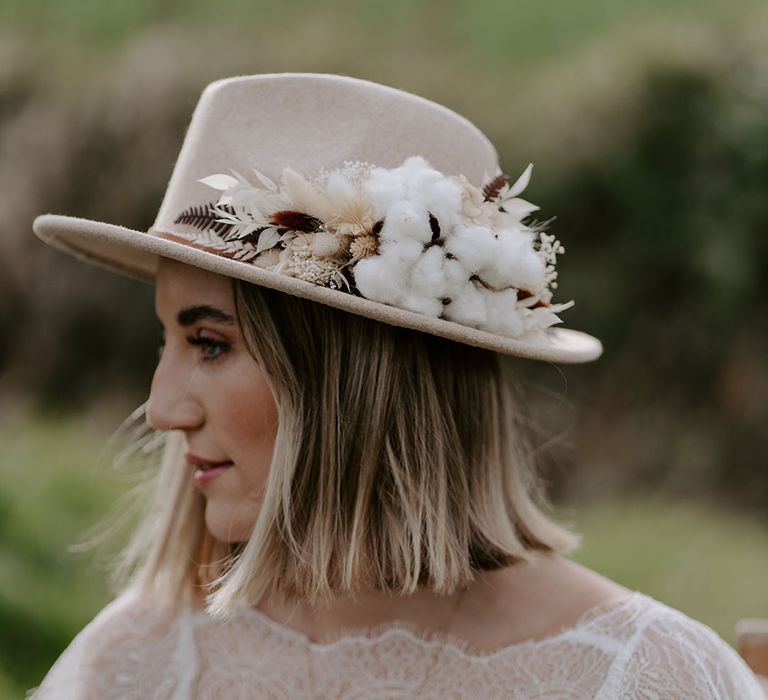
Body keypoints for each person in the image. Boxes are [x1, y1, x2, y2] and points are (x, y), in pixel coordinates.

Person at [27, 73, 764, 699]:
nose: (163, 409)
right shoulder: (136, 666)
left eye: (210, 342)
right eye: (170, 340)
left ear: (357, 378)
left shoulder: (641, 678)